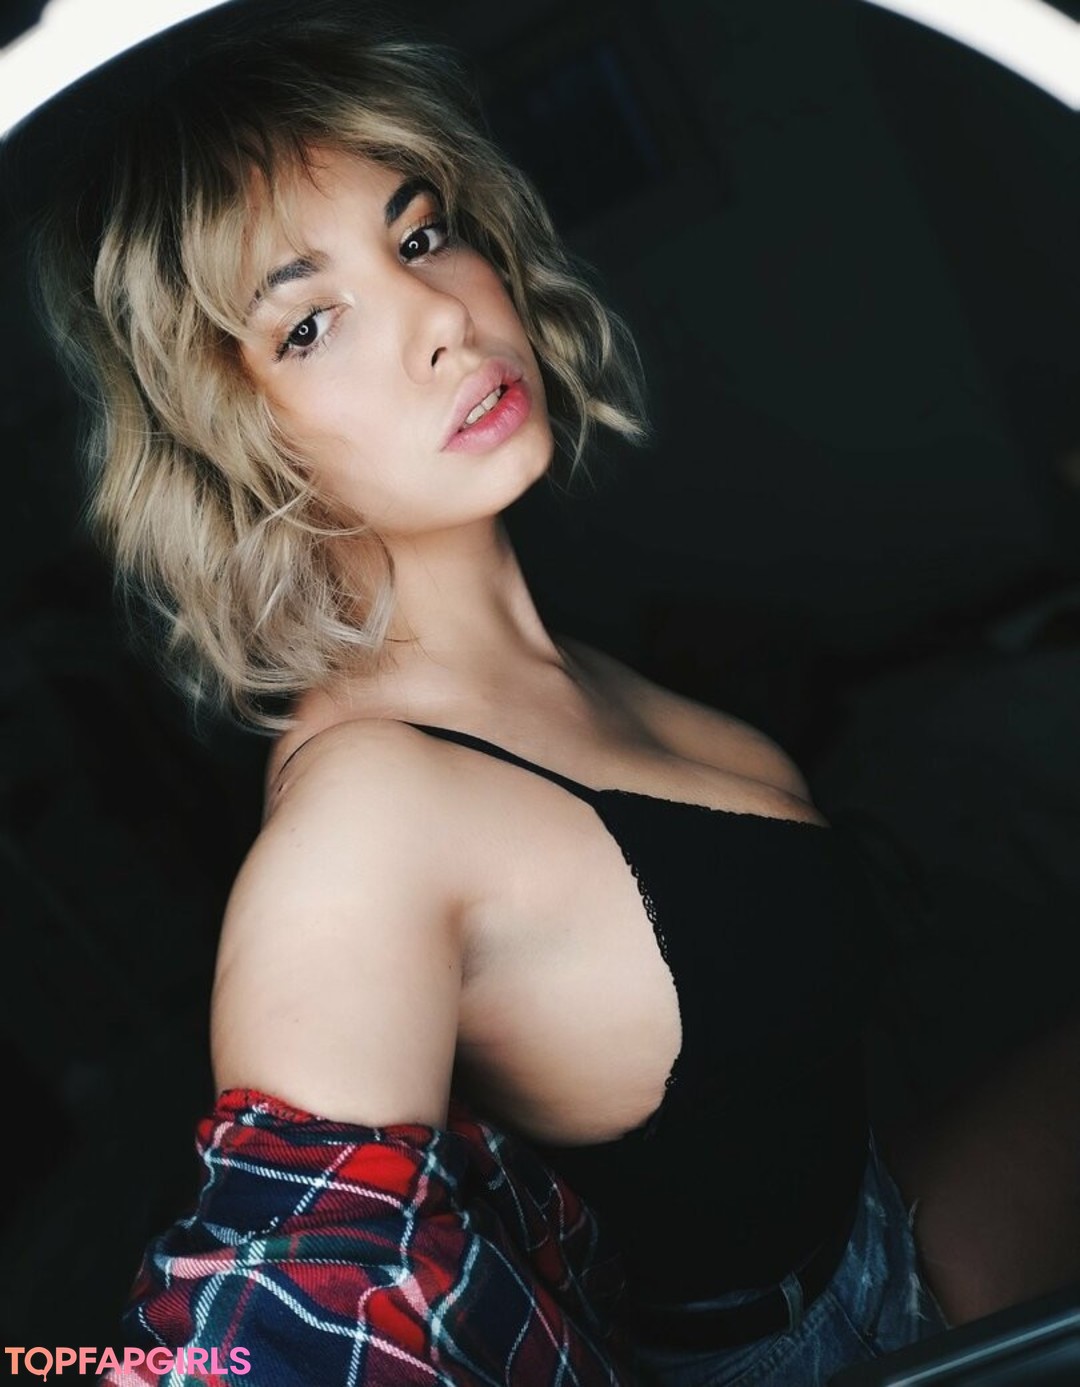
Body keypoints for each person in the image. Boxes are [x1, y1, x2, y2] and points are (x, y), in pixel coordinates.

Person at [9, 1, 1080, 1382]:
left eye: (419, 236)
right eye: (311, 323)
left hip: (871, 1235)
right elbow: (267, 1349)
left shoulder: (559, 658)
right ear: (225, 433)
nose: (442, 319)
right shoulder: (364, 825)